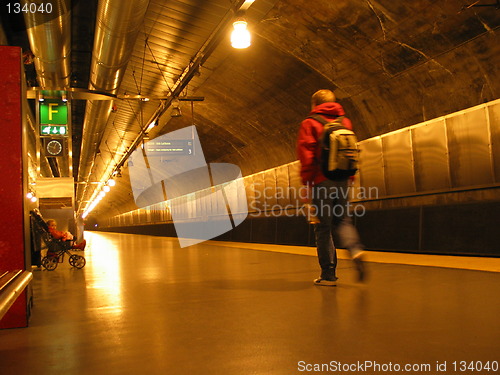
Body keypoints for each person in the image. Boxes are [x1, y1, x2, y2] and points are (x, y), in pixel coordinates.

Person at [297, 89, 365, 286]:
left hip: (321, 181)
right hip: (342, 179)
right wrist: (349, 177)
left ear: (314, 104)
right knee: (343, 221)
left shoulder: (309, 123)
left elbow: (307, 157)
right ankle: (356, 250)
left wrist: (307, 185)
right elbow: (352, 152)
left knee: (323, 228)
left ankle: (328, 274)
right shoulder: (346, 123)